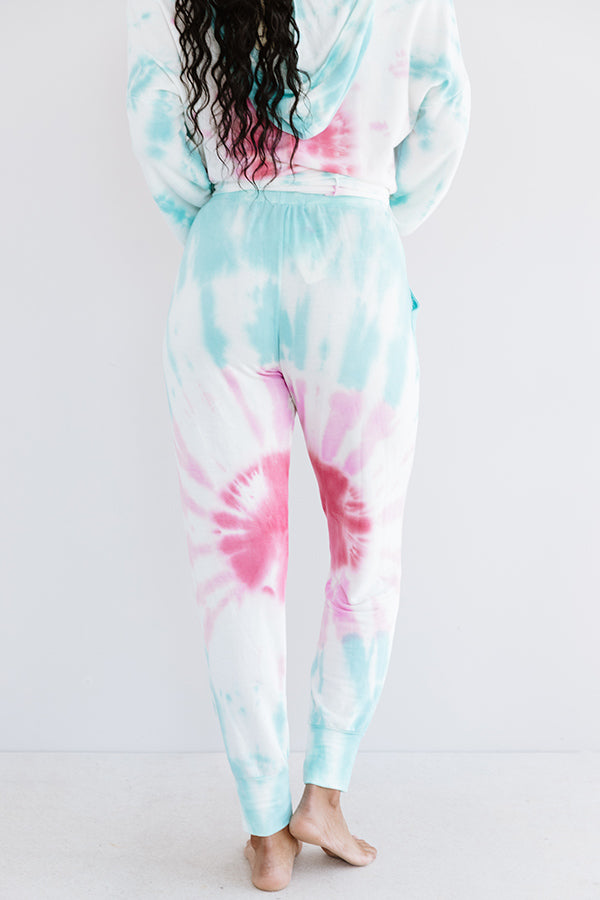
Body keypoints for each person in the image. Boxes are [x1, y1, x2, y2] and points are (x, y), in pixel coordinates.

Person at [125, 0, 470, 891]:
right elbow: (445, 111)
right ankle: (324, 794)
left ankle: (264, 831)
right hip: (355, 268)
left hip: (223, 274)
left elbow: (156, 126)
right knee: (367, 543)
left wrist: (223, 225)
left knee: (237, 567)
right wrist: (369, 216)